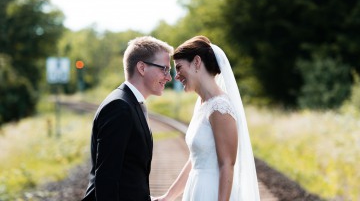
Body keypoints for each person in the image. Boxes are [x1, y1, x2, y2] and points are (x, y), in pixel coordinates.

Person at [153, 36, 260, 201]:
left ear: (196, 62)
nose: (176, 76)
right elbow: (195, 160)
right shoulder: (204, 104)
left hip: (212, 191)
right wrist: (169, 196)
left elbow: (227, 165)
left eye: (179, 67)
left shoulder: (220, 108)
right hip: (196, 188)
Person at [82, 36, 173, 201]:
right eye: (164, 69)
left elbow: (128, 172)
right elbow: (107, 178)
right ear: (142, 68)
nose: (169, 77)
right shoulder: (119, 107)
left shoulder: (131, 103)